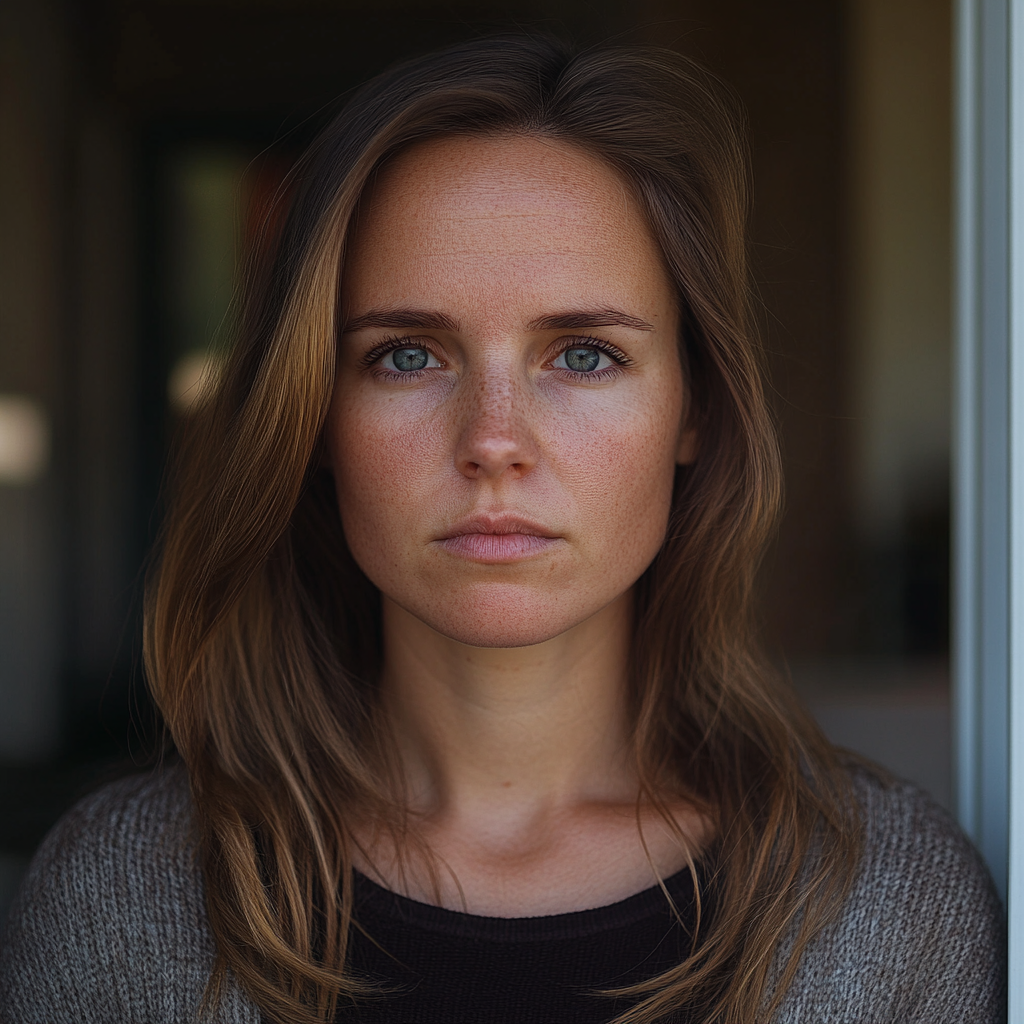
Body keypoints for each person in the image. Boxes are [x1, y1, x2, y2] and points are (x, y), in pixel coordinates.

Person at [0, 34, 1005, 1024]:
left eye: (581, 354)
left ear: (696, 407)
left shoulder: (885, 905)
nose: (492, 442)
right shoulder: (121, 901)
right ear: (313, 416)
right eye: (405, 355)